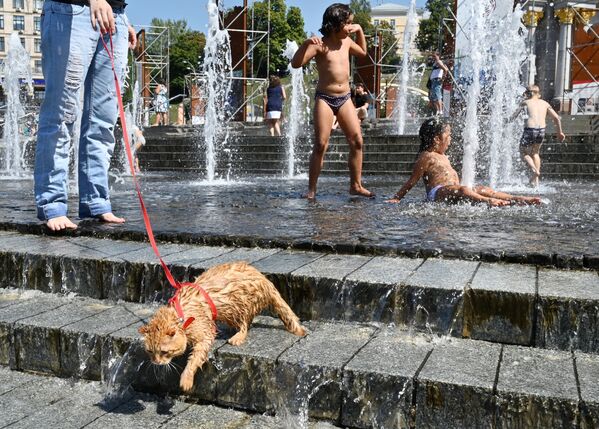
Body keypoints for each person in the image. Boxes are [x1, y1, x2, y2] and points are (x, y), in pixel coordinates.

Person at [34, 0, 136, 231]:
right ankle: (53, 205)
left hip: (114, 17)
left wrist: (121, 17)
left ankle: (96, 201)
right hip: (71, 11)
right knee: (61, 115)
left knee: (103, 121)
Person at [291, 3, 373, 199]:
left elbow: (362, 53)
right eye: (349, 24)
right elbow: (295, 64)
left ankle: (356, 185)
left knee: (357, 141)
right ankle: (311, 190)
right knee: (320, 144)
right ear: (336, 24)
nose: (351, 27)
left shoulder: (346, 42)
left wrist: (360, 30)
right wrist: (304, 44)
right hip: (325, 99)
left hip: (345, 98)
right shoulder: (319, 44)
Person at [386, 117, 542, 206]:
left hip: (453, 190)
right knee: (464, 190)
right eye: (448, 136)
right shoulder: (426, 157)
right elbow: (412, 181)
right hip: (437, 193)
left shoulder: (444, 156)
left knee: (481, 187)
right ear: (436, 139)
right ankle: (489, 201)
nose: (451, 139)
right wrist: (397, 197)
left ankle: (516, 198)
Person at [512, 85, 566, 187]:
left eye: (526, 93)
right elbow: (557, 118)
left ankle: (534, 170)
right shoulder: (545, 103)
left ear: (530, 93)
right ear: (538, 94)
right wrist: (560, 133)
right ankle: (535, 182)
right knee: (535, 153)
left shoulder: (525, 102)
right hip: (541, 130)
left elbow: (514, 116)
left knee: (523, 152)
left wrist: (506, 121)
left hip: (529, 130)